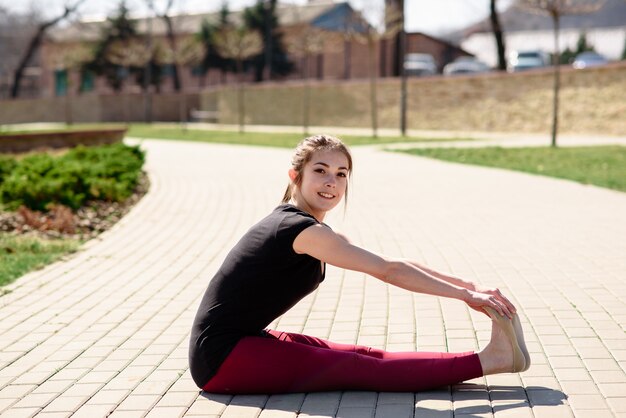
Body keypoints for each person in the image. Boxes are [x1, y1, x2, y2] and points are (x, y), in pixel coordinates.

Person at [189, 134, 530, 394]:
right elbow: (388, 272)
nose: (331, 183)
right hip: (223, 359)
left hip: (245, 341)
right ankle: (491, 361)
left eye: (341, 174)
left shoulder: (306, 227)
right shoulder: (297, 229)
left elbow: (391, 262)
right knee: (357, 368)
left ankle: (492, 356)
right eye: (320, 171)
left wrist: (471, 287)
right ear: (295, 175)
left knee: (365, 354)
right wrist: (465, 297)